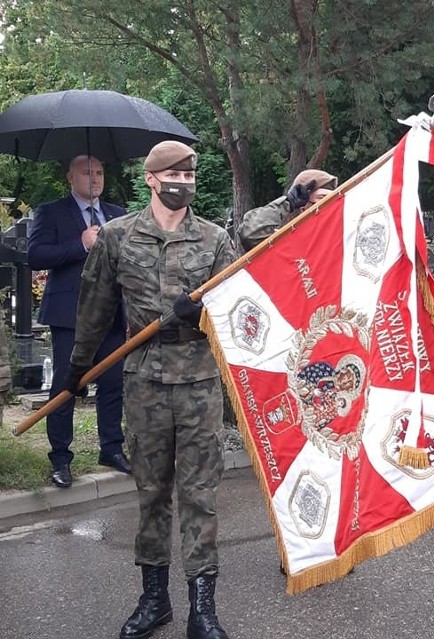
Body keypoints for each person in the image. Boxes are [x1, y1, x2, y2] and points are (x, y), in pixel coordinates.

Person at [65, 141, 235, 639]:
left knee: (200, 494)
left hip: (200, 381)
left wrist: (201, 313)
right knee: (152, 492)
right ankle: (154, 599)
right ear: (151, 179)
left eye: (190, 173)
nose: (184, 181)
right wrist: (77, 368)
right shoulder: (117, 237)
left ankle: (202, 607)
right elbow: (94, 307)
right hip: (144, 382)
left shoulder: (215, 239)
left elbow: (238, 309)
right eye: (174, 174)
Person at [27, 154, 129, 488]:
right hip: (69, 315)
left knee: (113, 382)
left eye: (99, 172)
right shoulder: (51, 212)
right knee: (67, 385)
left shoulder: (117, 215)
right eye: (87, 172)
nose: (95, 178)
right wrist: (80, 243)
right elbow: (36, 256)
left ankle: (111, 448)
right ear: (70, 177)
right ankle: (60, 458)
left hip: (111, 315)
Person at [239, 169, 337, 251]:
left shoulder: (343, 237)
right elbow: (250, 234)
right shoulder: (290, 241)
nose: (330, 204)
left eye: (333, 198)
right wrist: (288, 203)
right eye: (322, 198)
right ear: (303, 206)